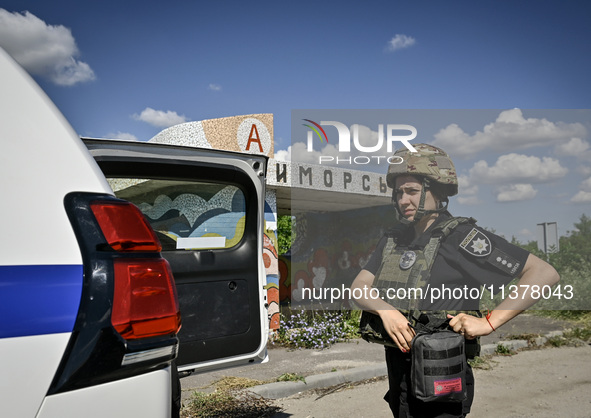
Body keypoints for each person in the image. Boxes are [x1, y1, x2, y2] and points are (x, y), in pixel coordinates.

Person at [351, 144, 559, 418]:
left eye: (412, 191)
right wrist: (386, 310)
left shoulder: (460, 236)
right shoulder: (395, 239)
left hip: (442, 375)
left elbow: (543, 273)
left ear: (437, 192)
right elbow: (358, 289)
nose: (403, 200)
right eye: (399, 192)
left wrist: (488, 322)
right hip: (401, 375)